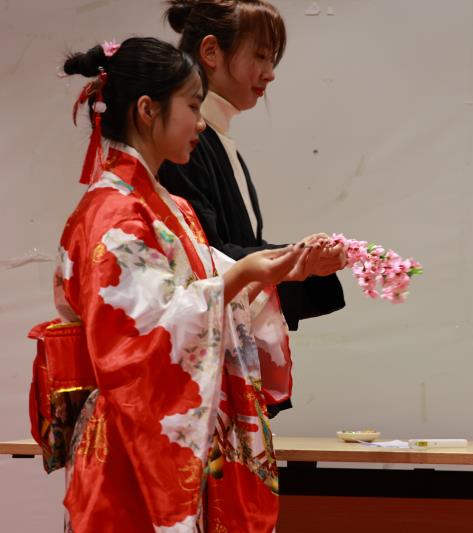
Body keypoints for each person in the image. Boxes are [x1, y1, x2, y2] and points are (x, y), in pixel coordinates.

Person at [55, 36, 304, 532]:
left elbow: (206, 288)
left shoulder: (170, 207)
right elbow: (136, 337)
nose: (201, 123)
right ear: (148, 109)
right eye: (192, 106)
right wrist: (243, 275)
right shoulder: (113, 212)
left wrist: (281, 269)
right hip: (132, 440)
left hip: (167, 432)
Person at [159, 0, 346, 415]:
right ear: (211, 52)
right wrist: (295, 262)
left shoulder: (214, 143)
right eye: (260, 55)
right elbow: (205, 262)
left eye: (272, 58)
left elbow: (227, 253)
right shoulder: (186, 150)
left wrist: (300, 261)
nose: (270, 72)